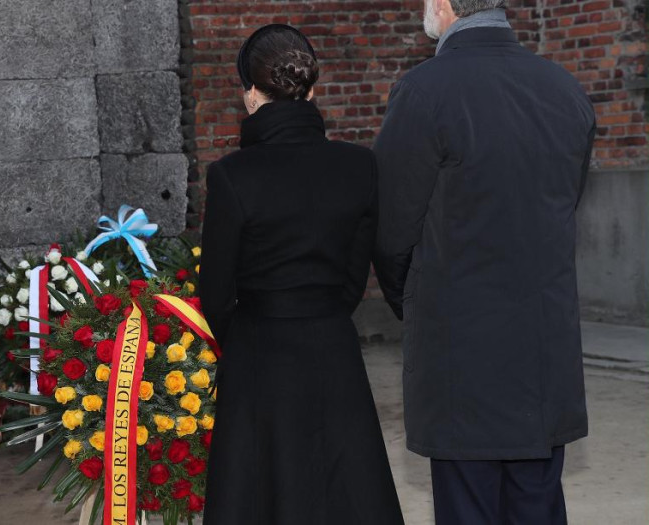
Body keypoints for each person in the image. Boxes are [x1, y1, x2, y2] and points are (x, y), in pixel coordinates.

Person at [372, 1, 596, 523]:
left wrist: (415, 303)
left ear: (445, 5)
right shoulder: (564, 88)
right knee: (537, 504)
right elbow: (565, 206)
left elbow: (389, 228)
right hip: (542, 345)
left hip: (459, 349)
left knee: (468, 506)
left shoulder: (425, 90)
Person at [199, 24, 405, 525]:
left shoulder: (232, 175)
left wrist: (247, 331)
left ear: (251, 95)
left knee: (260, 492)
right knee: (343, 489)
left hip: (258, 351)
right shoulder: (360, 166)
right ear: (311, 89)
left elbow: (215, 293)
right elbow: (356, 276)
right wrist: (324, 313)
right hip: (332, 343)